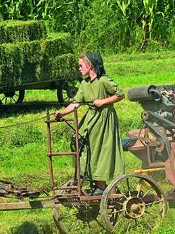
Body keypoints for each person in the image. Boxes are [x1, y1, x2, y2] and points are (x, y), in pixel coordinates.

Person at [54, 52, 125, 195]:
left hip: (105, 119)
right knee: (79, 141)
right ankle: (86, 178)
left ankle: (102, 185)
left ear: (90, 65)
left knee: (100, 150)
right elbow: (75, 103)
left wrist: (102, 101)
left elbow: (120, 94)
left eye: (81, 65)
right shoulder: (84, 84)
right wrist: (62, 112)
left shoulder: (103, 80)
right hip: (91, 118)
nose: (79, 69)